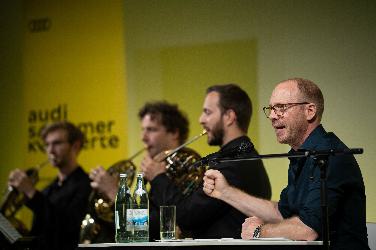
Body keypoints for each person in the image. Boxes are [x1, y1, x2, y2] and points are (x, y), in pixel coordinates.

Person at [203, 78, 369, 250]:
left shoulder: (330, 155)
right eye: (272, 109)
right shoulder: (300, 155)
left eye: (282, 108)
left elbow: (307, 230)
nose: (273, 116)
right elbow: (281, 213)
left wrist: (260, 231)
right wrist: (225, 192)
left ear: (310, 111)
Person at [142, 84, 272, 239]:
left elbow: (185, 216)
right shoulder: (243, 156)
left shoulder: (232, 164)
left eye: (208, 112)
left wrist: (158, 177)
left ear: (229, 116)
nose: (201, 120)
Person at [90, 100, 199, 241]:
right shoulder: (157, 169)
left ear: (174, 133)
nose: (143, 137)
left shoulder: (186, 168)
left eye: (151, 129)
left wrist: (114, 192)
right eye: (143, 129)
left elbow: (151, 226)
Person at [8, 121, 91, 250]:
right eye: (47, 145)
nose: (50, 150)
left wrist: (31, 193)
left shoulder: (86, 185)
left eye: (57, 143)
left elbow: (68, 229)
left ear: (75, 146)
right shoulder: (49, 189)